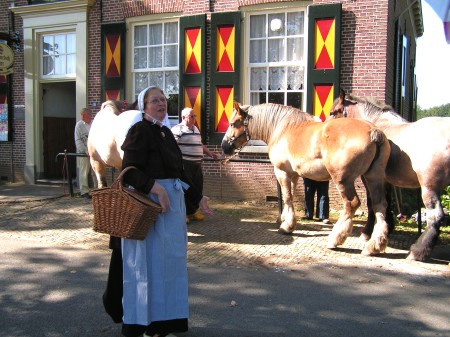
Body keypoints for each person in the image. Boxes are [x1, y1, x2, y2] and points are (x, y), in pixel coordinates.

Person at [116, 86, 213, 337]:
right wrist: (154, 187)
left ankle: (164, 322)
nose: (161, 103)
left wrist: (197, 197)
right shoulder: (139, 131)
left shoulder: (167, 134)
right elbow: (129, 171)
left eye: (163, 99)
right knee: (146, 266)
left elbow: (178, 173)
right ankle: (143, 322)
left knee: (170, 265)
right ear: (143, 106)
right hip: (148, 210)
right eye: (155, 100)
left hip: (171, 212)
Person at [171, 107, 219, 223]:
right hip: (185, 164)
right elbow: (172, 146)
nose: (194, 119)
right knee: (186, 189)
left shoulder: (196, 129)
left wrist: (210, 153)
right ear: (183, 117)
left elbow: (199, 144)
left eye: (194, 116)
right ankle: (184, 214)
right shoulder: (178, 129)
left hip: (197, 164)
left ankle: (193, 212)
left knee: (197, 188)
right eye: (191, 116)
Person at [74, 107, 92, 198]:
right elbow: (78, 140)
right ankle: (84, 191)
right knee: (84, 170)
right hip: (84, 152)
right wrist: (85, 150)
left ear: (89, 115)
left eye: (84, 115)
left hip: (94, 152)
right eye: (81, 115)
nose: (82, 117)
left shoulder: (93, 124)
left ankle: (97, 190)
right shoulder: (79, 125)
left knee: (95, 171)